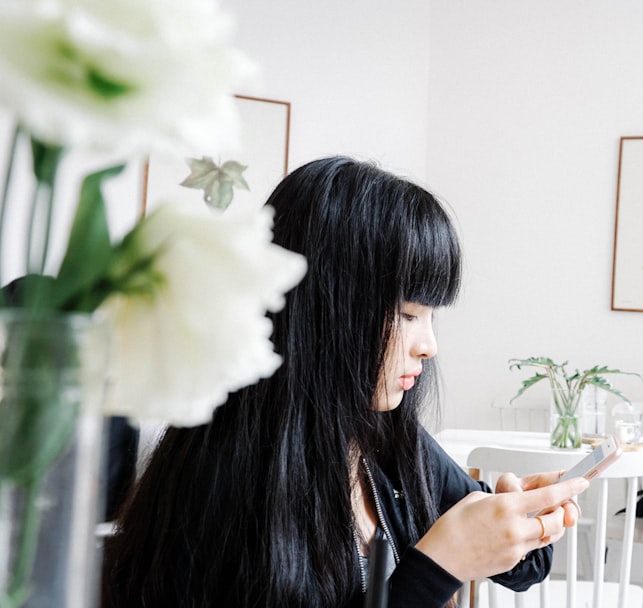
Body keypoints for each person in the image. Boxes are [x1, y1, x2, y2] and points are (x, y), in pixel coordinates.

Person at [101, 157, 586, 607]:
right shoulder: (221, 485)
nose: (429, 345)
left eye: (431, 316)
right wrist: (440, 566)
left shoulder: (393, 445)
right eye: (408, 314)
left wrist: (521, 515)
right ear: (327, 314)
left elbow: (524, 572)